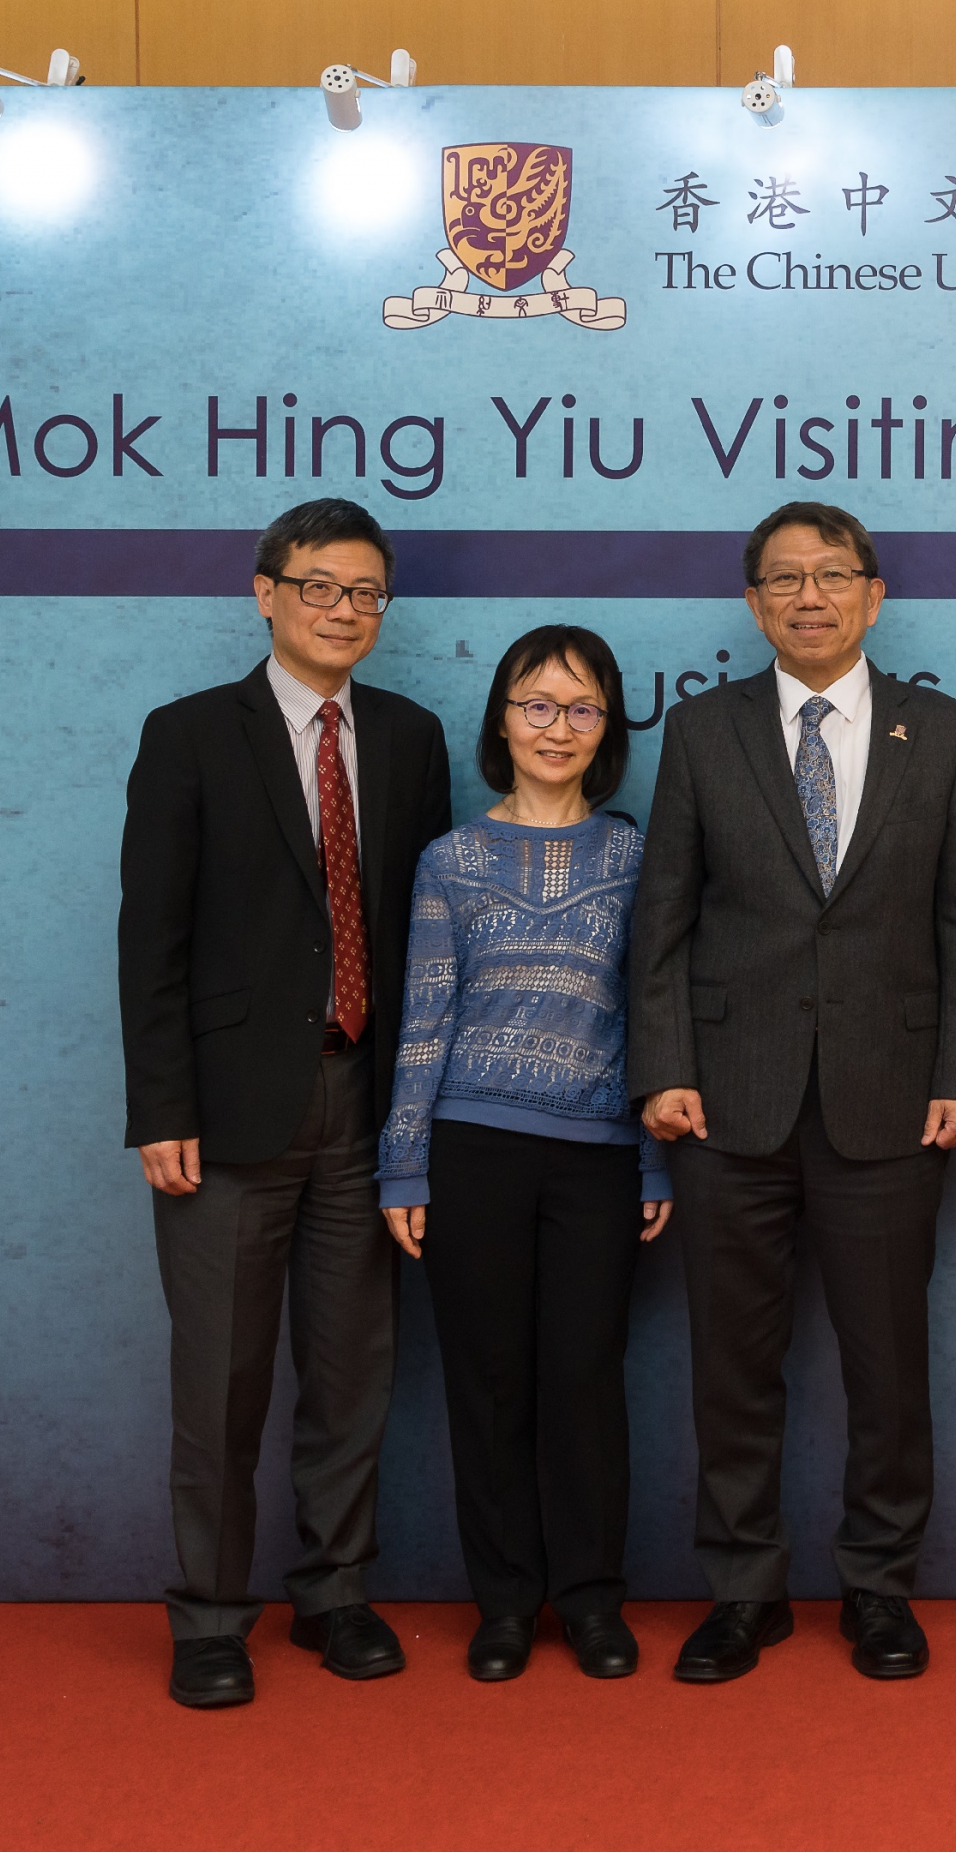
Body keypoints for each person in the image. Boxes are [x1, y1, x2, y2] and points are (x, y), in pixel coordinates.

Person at [630, 502, 956, 1685]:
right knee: (734, 1364)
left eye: (832, 575)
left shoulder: (939, 733)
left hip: (893, 1101)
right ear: (752, 604)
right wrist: (665, 1063)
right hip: (725, 1103)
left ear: (874, 595)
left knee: (888, 1363)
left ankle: (880, 1587)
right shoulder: (702, 730)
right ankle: (743, 1589)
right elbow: (664, 919)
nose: (809, 595)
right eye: (783, 578)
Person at [118, 497, 453, 1709]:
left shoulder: (412, 738)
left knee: (353, 1367)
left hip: (363, 1106)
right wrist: (161, 1104)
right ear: (264, 591)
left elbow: (423, 939)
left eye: (367, 592)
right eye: (320, 586)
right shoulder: (191, 734)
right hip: (226, 1114)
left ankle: (335, 1594)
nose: (344, 610)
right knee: (220, 1379)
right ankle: (210, 1615)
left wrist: (415, 1115)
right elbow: (149, 936)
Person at [376, 626, 671, 1684]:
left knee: (586, 1383)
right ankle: (503, 1603)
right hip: (471, 1152)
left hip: (596, 1154)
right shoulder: (448, 860)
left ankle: (592, 1600)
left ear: (609, 727)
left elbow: (651, 1017)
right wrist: (403, 1166)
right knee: (487, 1383)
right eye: (537, 704)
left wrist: (652, 1157)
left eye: (583, 707)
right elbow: (422, 1021)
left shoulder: (639, 852)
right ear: (502, 718)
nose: (558, 726)